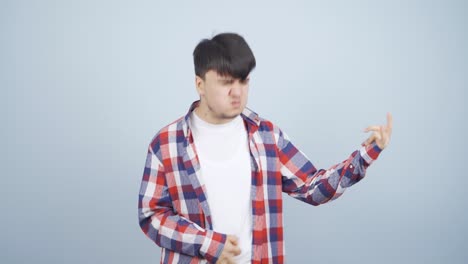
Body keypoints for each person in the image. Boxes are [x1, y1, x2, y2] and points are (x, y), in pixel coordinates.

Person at [137, 32, 393, 264]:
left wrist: (365, 156)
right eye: (226, 82)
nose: (237, 93)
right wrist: (208, 244)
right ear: (200, 84)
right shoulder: (166, 143)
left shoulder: (267, 136)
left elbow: (313, 188)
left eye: (244, 81)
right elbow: (151, 215)